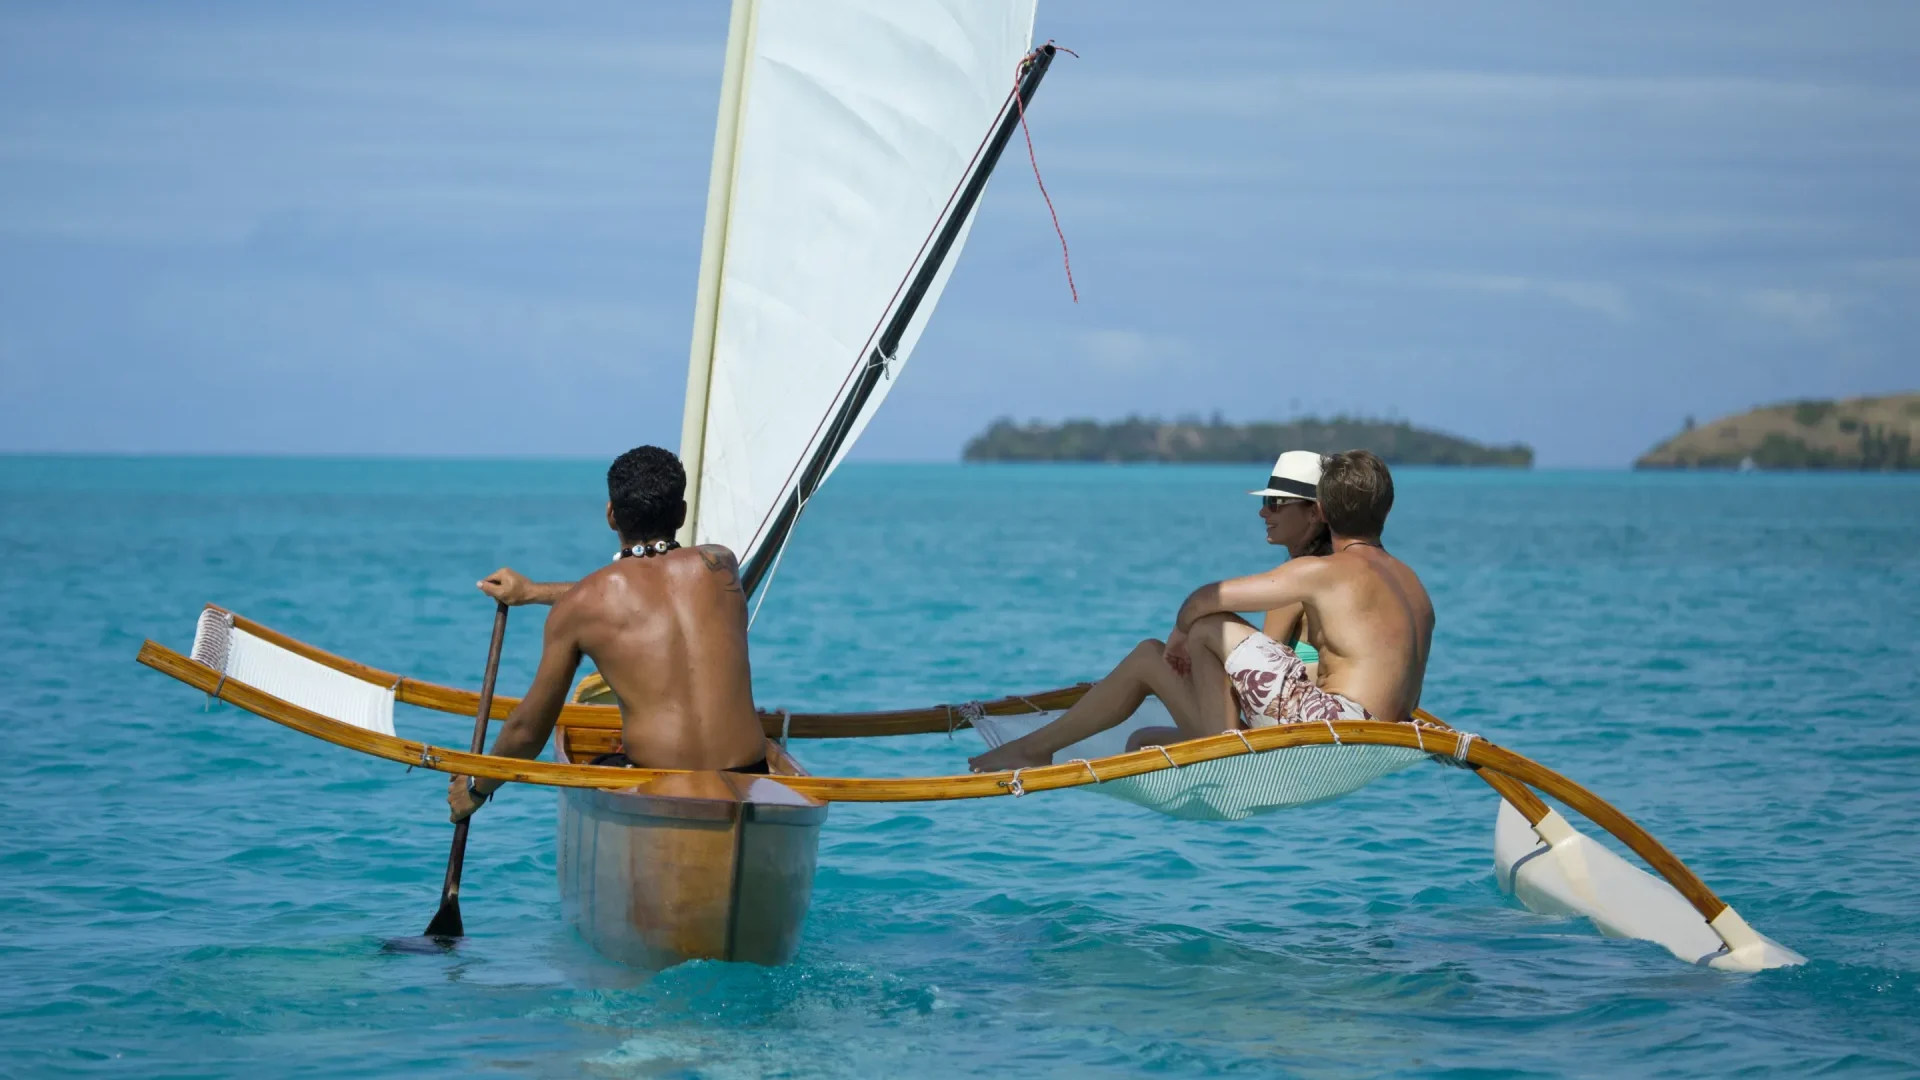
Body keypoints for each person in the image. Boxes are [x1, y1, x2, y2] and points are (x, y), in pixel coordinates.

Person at [446, 446, 768, 823]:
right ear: (680, 514)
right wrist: (532, 593)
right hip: (749, 776)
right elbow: (651, 591)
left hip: (657, 786)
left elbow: (526, 733)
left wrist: (475, 786)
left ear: (611, 515)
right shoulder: (721, 563)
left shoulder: (579, 608)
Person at [967, 450, 1338, 773]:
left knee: (1149, 657)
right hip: (1280, 727)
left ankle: (1034, 748)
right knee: (1143, 739)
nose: (1263, 512)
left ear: (1313, 513)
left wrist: (1189, 654)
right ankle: (1037, 746)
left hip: (1268, 742)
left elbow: (1262, 681)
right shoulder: (1336, 575)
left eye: (1276, 503)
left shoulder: (1300, 584)